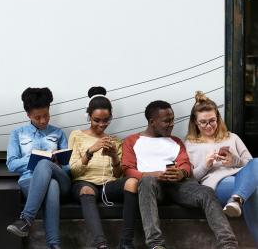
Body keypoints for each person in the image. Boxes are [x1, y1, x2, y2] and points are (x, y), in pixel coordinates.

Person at [122, 100, 237, 249]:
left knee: (207, 192)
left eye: (172, 119)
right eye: (166, 121)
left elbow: (185, 165)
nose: (172, 124)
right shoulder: (132, 141)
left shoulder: (176, 141)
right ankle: (156, 245)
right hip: (152, 186)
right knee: (147, 181)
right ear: (152, 122)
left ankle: (228, 244)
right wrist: (153, 174)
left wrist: (181, 173)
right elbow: (128, 169)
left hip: (178, 185)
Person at [185, 91, 258, 246]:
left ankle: (237, 199)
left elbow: (252, 166)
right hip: (217, 184)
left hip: (241, 178)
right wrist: (206, 165)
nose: (208, 125)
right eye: (203, 122)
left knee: (257, 162)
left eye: (212, 120)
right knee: (254, 191)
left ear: (218, 117)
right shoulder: (190, 145)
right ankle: (237, 199)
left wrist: (234, 160)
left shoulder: (232, 137)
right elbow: (192, 180)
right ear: (194, 122)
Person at [69, 87, 138, 249]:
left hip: (108, 185)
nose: (102, 125)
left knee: (132, 183)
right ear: (88, 117)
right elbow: (73, 171)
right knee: (86, 190)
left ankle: (126, 243)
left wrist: (114, 156)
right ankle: (101, 244)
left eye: (106, 120)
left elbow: (118, 174)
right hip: (84, 184)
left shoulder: (115, 140)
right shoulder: (76, 135)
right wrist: (90, 151)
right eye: (96, 120)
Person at [6, 87, 71, 249]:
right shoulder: (17, 134)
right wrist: (35, 156)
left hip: (60, 178)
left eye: (46, 115)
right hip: (30, 181)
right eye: (37, 117)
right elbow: (11, 164)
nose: (43, 121)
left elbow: (69, 167)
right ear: (28, 115)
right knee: (51, 185)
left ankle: (26, 219)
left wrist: (54, 162)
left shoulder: (58, 133)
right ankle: (54, 245)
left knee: (46, 167)